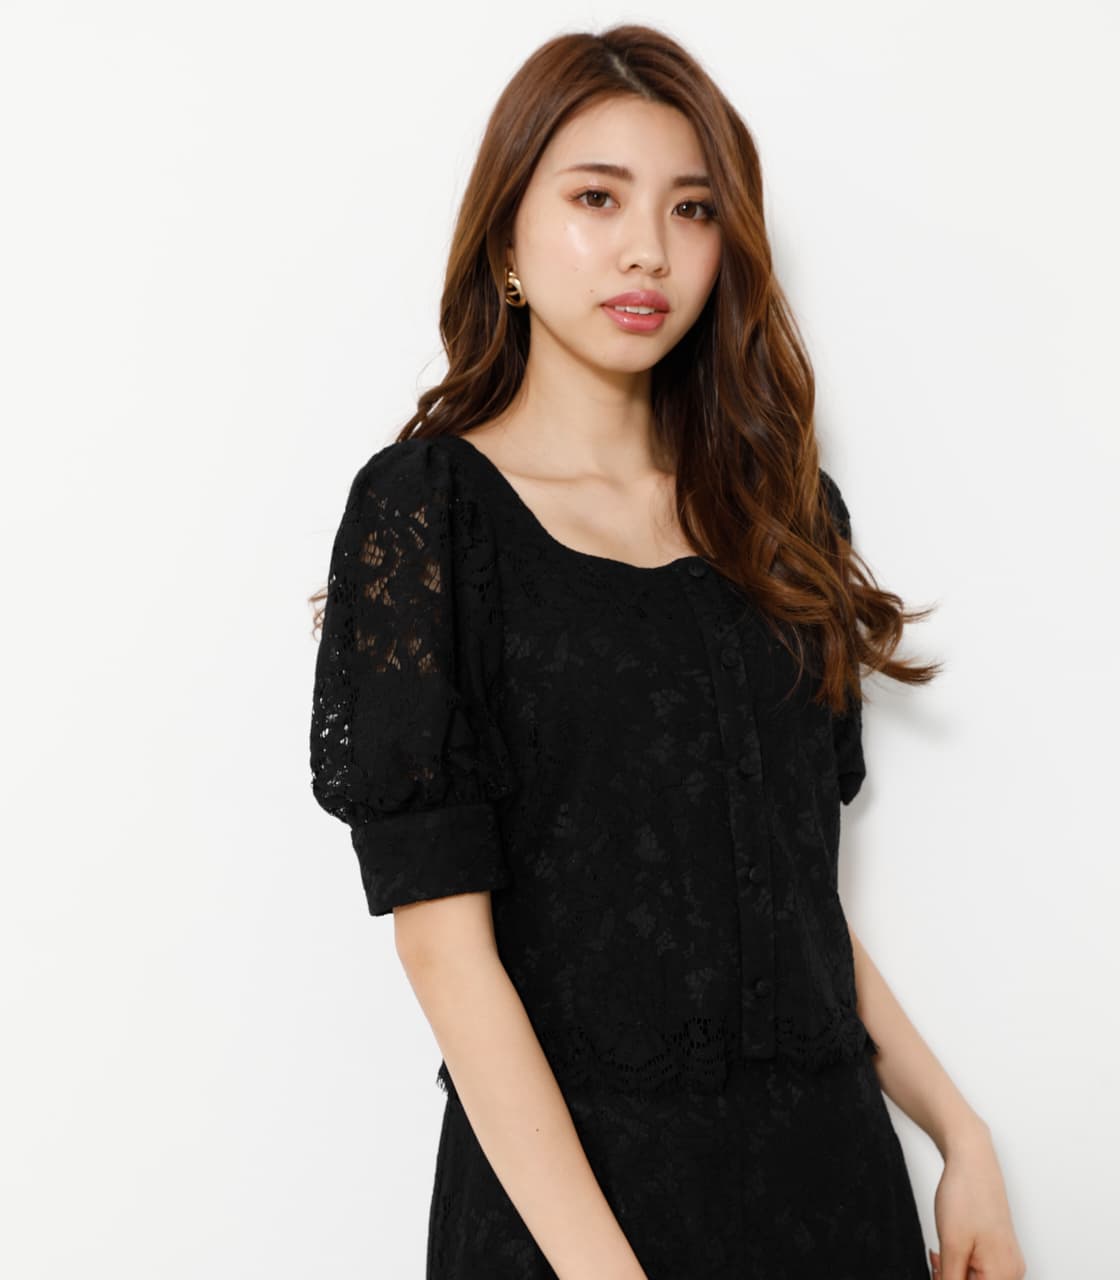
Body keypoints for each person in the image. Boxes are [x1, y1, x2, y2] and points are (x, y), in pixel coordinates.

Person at [308, 23, 1027, 1280]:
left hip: (829, 1191)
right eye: (596, 198)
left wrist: (958, 1131)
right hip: (570, 1217)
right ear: (506, 240)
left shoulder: (781, 518)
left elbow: (793, 904)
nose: (648, 248)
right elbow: (443, 948)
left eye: (692, 209)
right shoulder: (429, 513)